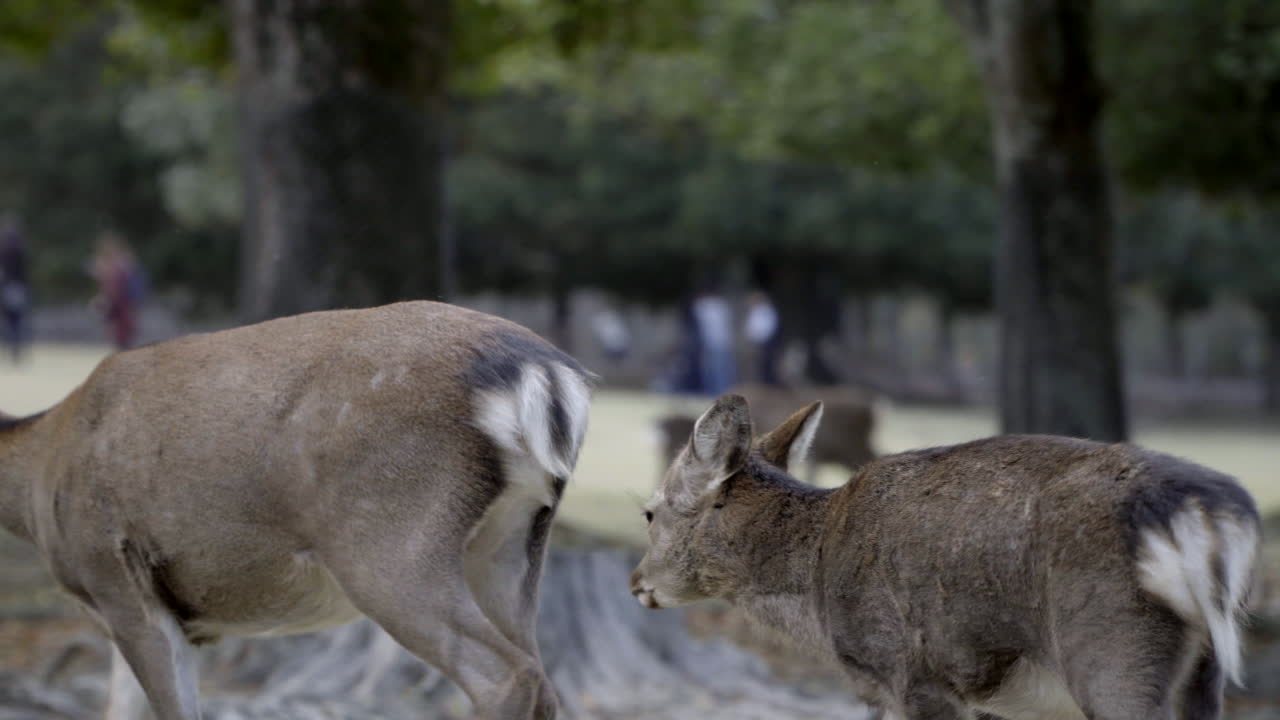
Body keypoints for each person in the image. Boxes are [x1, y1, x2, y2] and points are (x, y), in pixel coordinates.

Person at [91, 232, 142, 351]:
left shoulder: (119, 265)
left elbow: (113, 289)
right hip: (120, 307)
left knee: (121, 339)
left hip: (121, 306)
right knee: (120, 339)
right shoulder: (124, 263)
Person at [692, 282, 735, 395]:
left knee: (713, 369)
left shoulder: (704, 306)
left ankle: (713, 392)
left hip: (713, 342)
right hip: (721, 341)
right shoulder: (722, 305)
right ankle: (720, 391)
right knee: (720, 370)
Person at [0, 215, 30, 363]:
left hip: (8, 288)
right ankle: (17, 351)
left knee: (10, 322)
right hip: (19, 288)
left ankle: (12, 351)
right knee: (18, 321)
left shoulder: (3, 249)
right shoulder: (21, 249)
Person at [744, 290, 782, 386]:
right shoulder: (754, 311)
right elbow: (751, 326)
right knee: (756, 366)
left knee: (767, 365)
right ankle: (759, 384)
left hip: (766, 342)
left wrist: (761, 340)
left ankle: (768, 385)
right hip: (755, 342)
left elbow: (769, 327)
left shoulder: (767, 311)